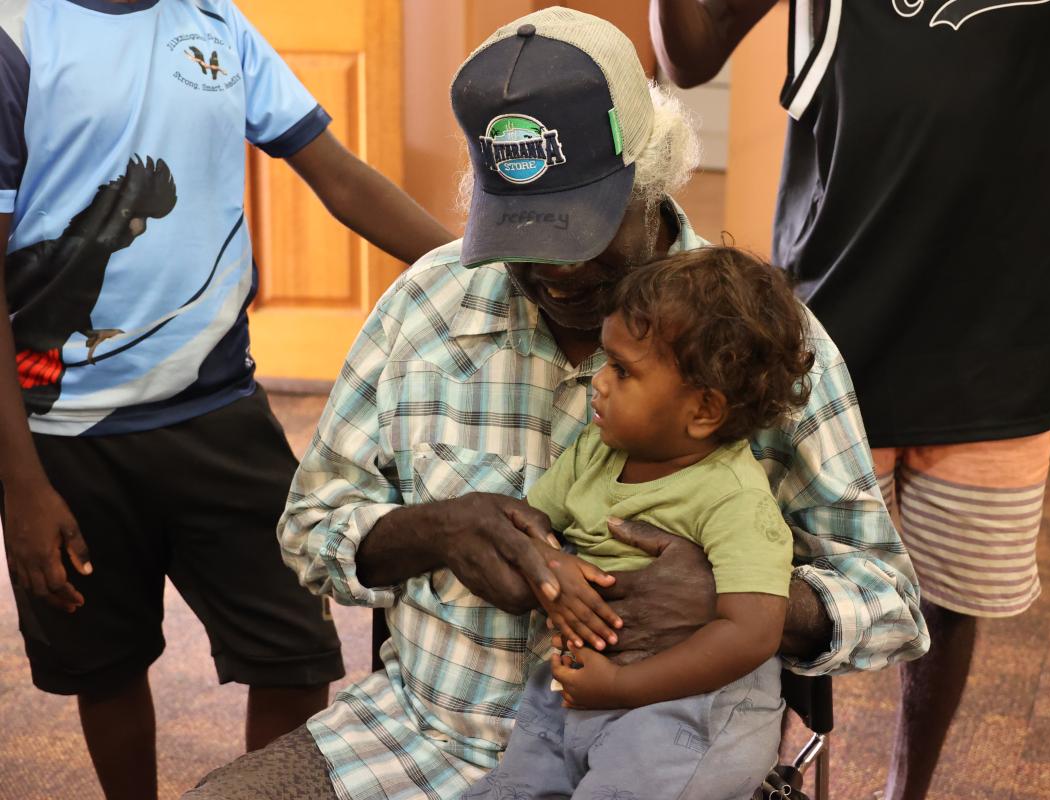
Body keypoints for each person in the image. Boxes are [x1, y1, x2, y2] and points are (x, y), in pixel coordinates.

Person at [185, 8, 927, 799]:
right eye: (520, 236)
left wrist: (747, 605)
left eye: (579, 232)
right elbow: (308, 530)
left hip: (652, 756)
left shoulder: (753, 340)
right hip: (414, 739)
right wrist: (431, 532)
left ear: (656, 175)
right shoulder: (427, 307)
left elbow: (887, 598)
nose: (555, 271)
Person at [650, 1, 1050, 798]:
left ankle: (906, 789)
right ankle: (772, 774)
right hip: (832, 344)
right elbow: (689, 57)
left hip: (1000, 340)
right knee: (777, 583)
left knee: (952, 599)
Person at [0, 1, 452, 798]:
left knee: (294, 646)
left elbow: (338, 175)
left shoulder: (216, 23)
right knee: (105, 663)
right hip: (64, 437)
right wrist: (22, 486)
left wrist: (479, 264)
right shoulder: (19, 36)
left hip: (218, 411)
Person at [463, 246, 813, 800]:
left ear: (703, 411)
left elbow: (753, 632)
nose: (598, 383)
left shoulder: (735, 499)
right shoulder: (596, 452)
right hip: (578, 688)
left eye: (623, 371)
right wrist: (551, 562)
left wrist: (623, 685)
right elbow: (526, 518)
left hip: (690, 709)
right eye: (607, 361)